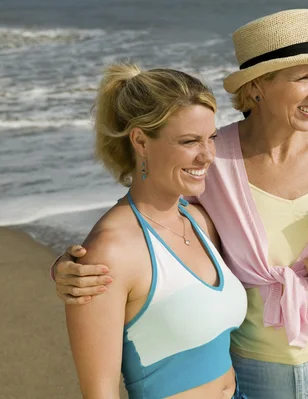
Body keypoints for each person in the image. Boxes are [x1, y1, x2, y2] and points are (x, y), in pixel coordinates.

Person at [52, 9, 308, 399]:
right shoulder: (213, 161)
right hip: (253, 374)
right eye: (303, 77)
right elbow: (146, 221)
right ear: (256, 87)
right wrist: (74, 268)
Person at [62, 63, 248, 399]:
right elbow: (100, 393)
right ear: (141, 142)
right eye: (190, 141)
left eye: (212, 138)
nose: (207, 155)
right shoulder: (110, 252)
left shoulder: (199, 221)